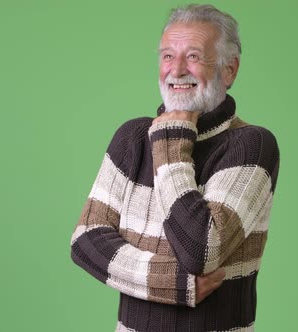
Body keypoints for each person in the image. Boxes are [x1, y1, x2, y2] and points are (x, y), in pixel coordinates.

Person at [70, 4, 280, 331]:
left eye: (194, 56)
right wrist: (177, 284)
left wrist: (171, 140)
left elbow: (201, 249)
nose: (177, 69)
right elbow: (86, 241)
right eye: (168, 56)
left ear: (229, 70)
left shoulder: (250, 146)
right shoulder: (132, 138)